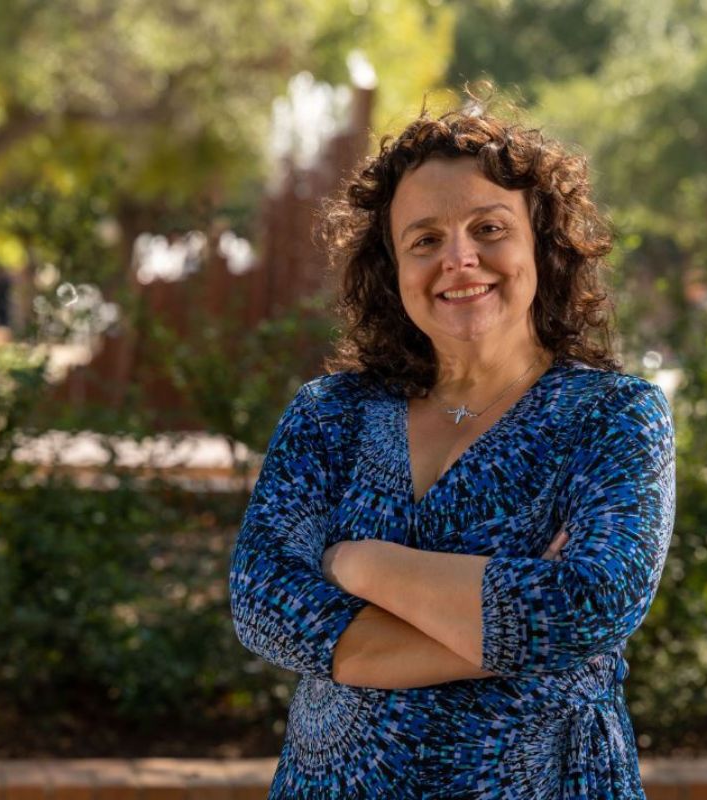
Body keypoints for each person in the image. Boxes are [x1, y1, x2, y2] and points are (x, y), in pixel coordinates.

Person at [228, 104, 676, 799]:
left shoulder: (613, 416)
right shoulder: (329, 416)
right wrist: (513, 637)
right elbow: (265, 604)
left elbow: (588, 604)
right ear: (391, 267)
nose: (459, 259)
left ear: (542, 244)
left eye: (489, 229)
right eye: (425, 238)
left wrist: (356, 562)